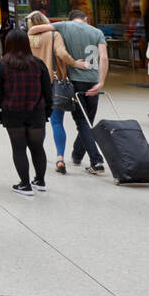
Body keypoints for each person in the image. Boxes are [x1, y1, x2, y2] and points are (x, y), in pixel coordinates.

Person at [31, 10, 106, 174]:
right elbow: (102, 57)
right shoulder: (94, 32)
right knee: (80, 122)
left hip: (56, 82)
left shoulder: (60, 27)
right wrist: (99, 80)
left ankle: (86, 157)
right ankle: (70, 157)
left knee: (80, 122)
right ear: (85, 19)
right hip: (85, 80)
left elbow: (32, 31)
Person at [0, 29, 53, 196]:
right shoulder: (38, 64)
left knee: (19, 148)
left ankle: (25, 184)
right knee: (38, 147)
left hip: (13, 112)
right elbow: (48, 91)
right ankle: (40, 180)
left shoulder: (1, 66)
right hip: (37, 112)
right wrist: (48, 110)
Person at [27, 11, 85, 175]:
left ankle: (38, 156)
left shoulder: (28, 38)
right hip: (54, 83)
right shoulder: (54, 35)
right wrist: (74, 63)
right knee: (57, 122)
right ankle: (60, 158)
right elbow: (61, 53)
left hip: (33, 84)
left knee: (37, 123)